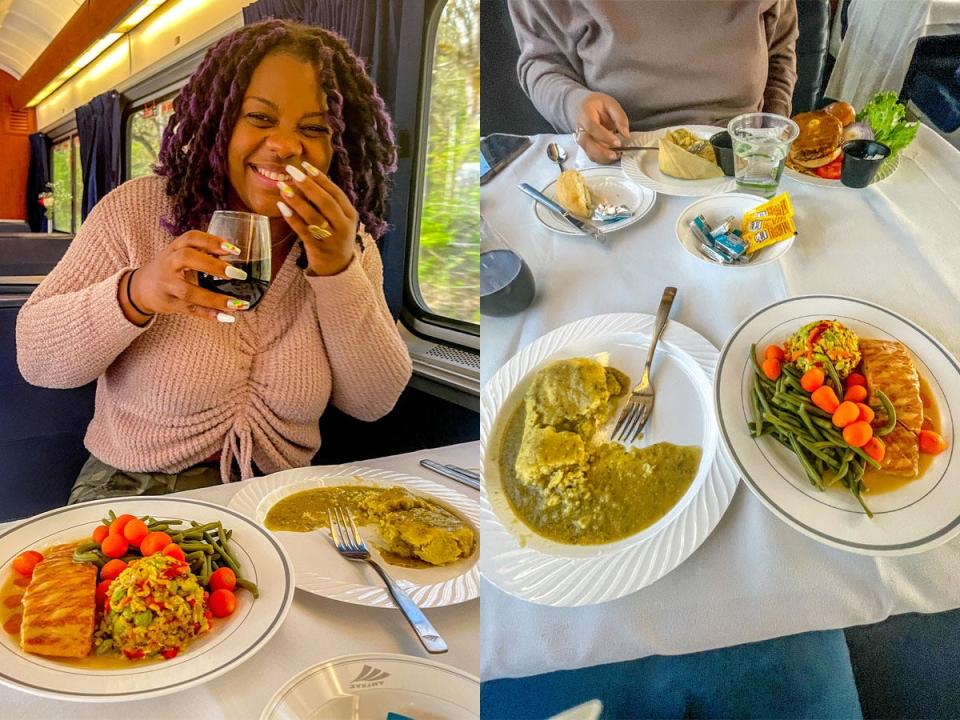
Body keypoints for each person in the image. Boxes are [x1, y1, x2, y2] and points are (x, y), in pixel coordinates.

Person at [16, 20, 412, 502]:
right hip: (135, 490)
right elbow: (36, 359)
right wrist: (136, 292)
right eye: (260, 119)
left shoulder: (348, 242)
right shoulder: (136, 210)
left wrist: (338, 271)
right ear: (219, 123)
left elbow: (374, 402)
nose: (286, 145)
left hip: (278, 496)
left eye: (312, 128)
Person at [509, 0, 799, 163]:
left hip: (743, 156)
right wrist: (572, 104)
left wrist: (772, 133)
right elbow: (542, 62)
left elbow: (780, 48)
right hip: (618, 160)